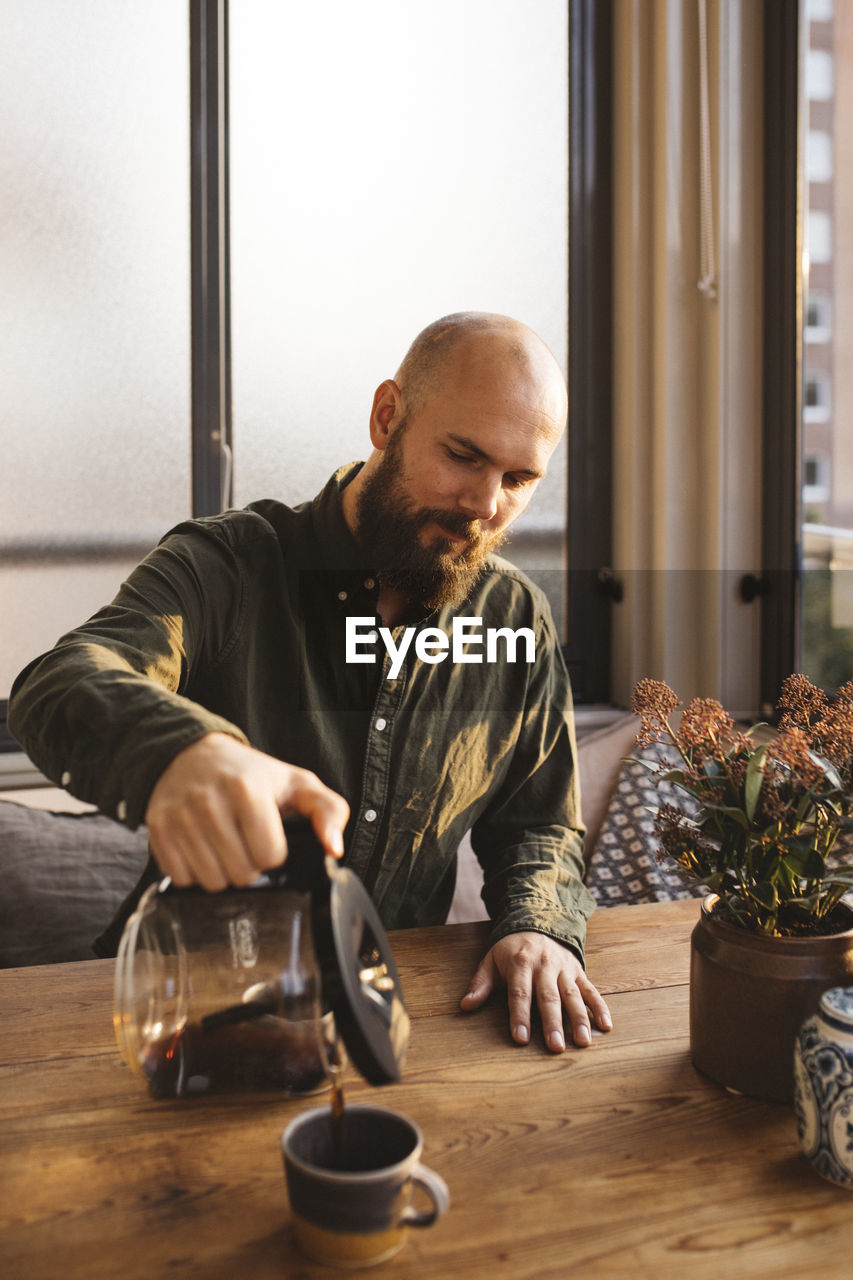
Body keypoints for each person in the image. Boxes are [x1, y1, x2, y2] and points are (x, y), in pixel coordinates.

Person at [9, 311, 612, 1053]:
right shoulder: (228, 564)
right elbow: (61, 682)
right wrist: (183, 751)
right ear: (387, 416)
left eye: (518, 479)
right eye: (463, 456)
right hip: (180, 1016)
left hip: (391, 1019)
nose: (486, 506)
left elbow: (538, 824)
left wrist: (538, 927)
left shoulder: (515, 613)